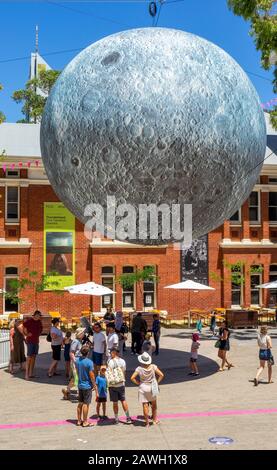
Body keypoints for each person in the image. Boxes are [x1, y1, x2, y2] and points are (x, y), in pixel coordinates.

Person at [131, 352, 164, 427]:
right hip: (151, 387)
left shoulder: (139, 369)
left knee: (145, 405)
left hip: (143, 387)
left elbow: (132, 378)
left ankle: (147, 423)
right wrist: (157, 382)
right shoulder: (153, 366)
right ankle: (155, 420)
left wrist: (138, 383)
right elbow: (161, 375)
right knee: (154, 405)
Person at [107, 347, 132, 424]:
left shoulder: (110, 362)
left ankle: (116, 419)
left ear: (114, 352)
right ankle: (128, 418)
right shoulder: (123, 361)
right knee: (123, 400)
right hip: (121, 384)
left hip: (113, 385)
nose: (110, 353)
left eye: (111, 352)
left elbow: (109, 374)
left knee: (115, 403)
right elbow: (123, 372)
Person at [62, 327, 86, 400]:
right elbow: (71, 353)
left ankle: (67, 390)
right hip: (76, 361)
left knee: (76, 378)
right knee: (77, 378)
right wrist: (75, 361)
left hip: (80, 361)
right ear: (79, 334)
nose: (84, 334)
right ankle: (79, 394)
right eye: (82, 332)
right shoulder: (75, 341)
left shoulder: (80, 341)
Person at [75, 345, 96, 427]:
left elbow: (77, 371)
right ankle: (85, 421)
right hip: (87, 386)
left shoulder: (77, 361)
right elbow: (92, 375)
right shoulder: (89, 362)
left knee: (80, 403)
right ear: (88, 353)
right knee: (86, 404)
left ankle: (79, 420)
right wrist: (94, 385)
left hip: (80, 385)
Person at [23, 310, 43, 380]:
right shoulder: (29, 321)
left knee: (34, 357)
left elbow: (40, 330)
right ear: (35, 315)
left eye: (39, 316)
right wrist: (26, 334)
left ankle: (31, 373)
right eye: (38, 316)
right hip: (30, 341)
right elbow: (24, 327)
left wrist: (38, 335)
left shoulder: (39, 322)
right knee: (29, 357)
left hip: (36, 341)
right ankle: (26, 375)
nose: (38, 317)